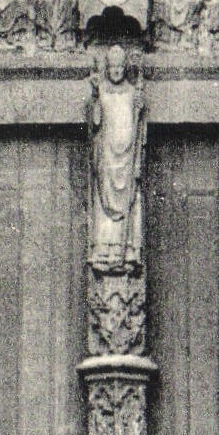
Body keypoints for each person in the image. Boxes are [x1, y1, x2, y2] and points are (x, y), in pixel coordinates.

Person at [89, 47, 145, 270]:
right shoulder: (102, 90)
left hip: (127, 157)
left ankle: (127, 250)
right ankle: (105, 251)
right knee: (104, 201)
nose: (116, 71)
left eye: (120, 67)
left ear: (125, 68)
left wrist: (140, 108)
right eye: (112, 67)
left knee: (129, 201)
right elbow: (95, 123)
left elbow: (139, 128)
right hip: (107, 157)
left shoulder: (133, 91)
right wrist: (96, 97)